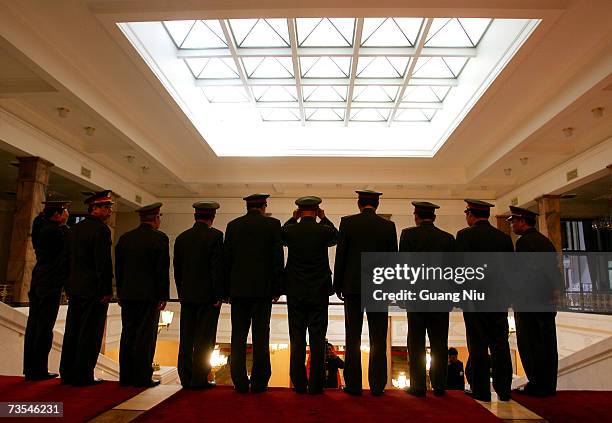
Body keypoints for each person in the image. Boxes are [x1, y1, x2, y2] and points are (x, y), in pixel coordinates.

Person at [333, 190, 397, 396]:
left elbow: (341, 255)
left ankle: (353, 385)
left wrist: (337, 285)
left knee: (353, 336)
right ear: (376, 205)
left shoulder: (348, 223)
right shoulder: (388, 226)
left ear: (359, 204)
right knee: (378, 337)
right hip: (379, 288)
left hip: (353, 287)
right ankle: (377, 385)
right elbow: (392, 260)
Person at [224, 193, 283, 393]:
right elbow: (277, 259)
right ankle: (259, 382)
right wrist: (277, 289)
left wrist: (226, 291)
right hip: (263, 291)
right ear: (264, 206)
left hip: (239, 291)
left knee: (238, 336)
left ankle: (239, 381)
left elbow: (227, 260)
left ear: (248, 207)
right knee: (261, 337)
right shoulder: (273, 225)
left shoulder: (233, 226)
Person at [456, 199, 514, 402]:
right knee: (500, 344)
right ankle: (504, 390)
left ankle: (481, 391)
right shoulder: (503, 238)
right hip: (498, 298)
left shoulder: (464, 236)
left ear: (471, 215)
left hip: (474, 299)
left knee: (478, 345)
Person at [281, 196, 338, 394]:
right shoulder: (323, 229)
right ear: (317, 209)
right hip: (319, 291)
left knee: (296, 337)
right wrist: (324, 219)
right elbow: (336, 236)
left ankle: (298, 383)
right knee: (317, 338)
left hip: (295, 290)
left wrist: (292, 219)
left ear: (299, 210)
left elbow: (280, 235)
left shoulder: (291, 229)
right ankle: (316, 384)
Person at [400, 201, 455, 397]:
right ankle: (440, 386)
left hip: (416, 298)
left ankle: (418, 386)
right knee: (439, 342)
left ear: (416, 216)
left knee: (416, 343)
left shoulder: (408, 235)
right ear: (434, 217)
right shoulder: (448, 238)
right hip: (440, 299)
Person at [60, 190, 114, 386]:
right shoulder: (101, 230)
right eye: (106, 207)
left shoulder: (73, 229)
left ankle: (67, 373)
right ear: (95, 208)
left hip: (75, 288)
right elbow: (103, 263)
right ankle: (83, 375)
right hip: (93, 290)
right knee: (90, 333)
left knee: (73, 330)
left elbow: (66, 260)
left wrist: (68, 284)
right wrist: (107, 290)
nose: (109, 211)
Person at [115, 202, 169, 388]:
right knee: (145, 336)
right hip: (149, 295)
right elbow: (161, 270)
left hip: (128, 294)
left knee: (128, 334)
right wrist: (163, 296)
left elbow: (119, 269)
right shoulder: (159, 238)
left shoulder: (125, 238)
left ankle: (126, 377)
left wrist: (120, 292)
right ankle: (142, 377)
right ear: (155, 218)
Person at [508, 205, 560, 397]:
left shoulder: (524, 243)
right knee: (547, 342)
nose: (512, 225)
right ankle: (548, 385)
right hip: (546, 301)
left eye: (514, 221)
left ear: (523, 221)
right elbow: (553, 270)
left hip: (529, 300)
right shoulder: (545, 241)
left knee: (530, 343)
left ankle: (536, 384)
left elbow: (522, 274)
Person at [174, 201, 224, 389]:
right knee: (205, 339)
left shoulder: (182, 238)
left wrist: (181, 293)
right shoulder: (215, 236)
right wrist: (219, 294)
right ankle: (199, 379)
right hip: (208, 298)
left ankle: (185, 378)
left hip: (187, 296)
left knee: (186, 338)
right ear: (212, 217)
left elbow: (177, 269)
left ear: (195, 216)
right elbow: (216, 268)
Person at [23, 199, 71, 381]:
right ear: (57, 215)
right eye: (65, 211)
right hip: (51, 282)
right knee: (44, 327)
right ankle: (39, 370)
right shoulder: (58, 232)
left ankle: (30, 368)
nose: (67, 214)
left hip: (39, 278)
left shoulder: (41, 228)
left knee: (34, 325)